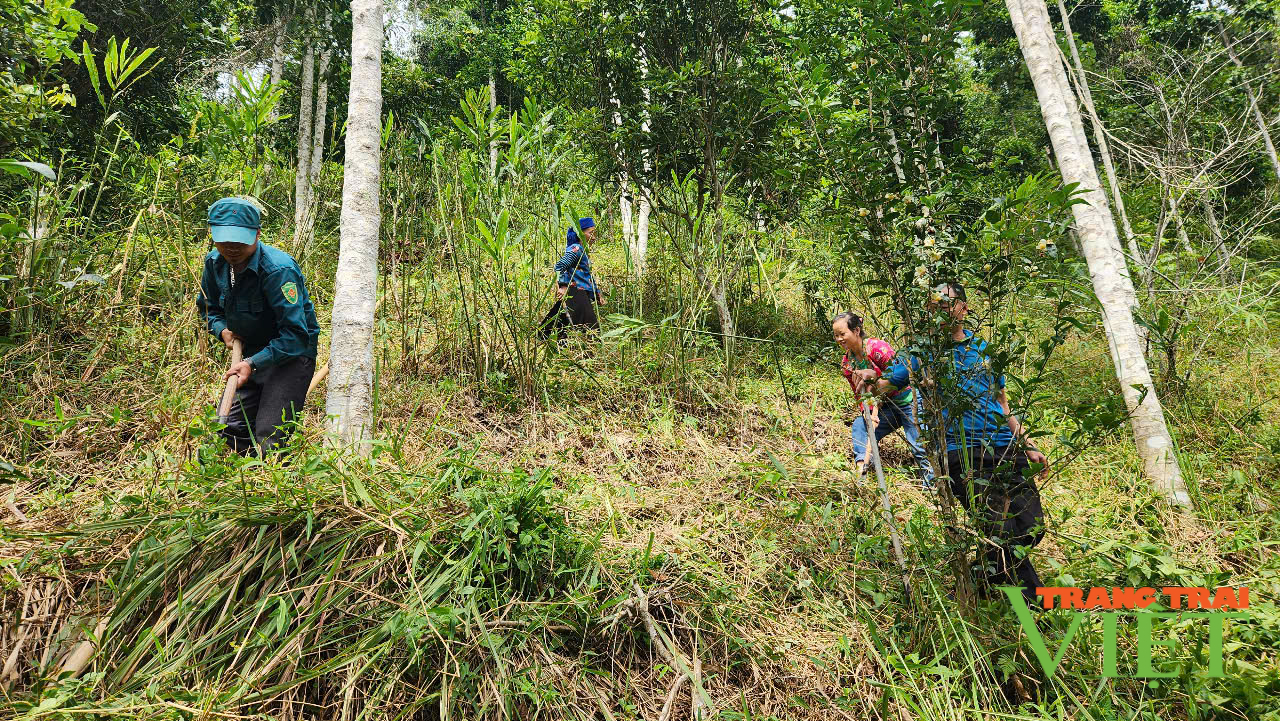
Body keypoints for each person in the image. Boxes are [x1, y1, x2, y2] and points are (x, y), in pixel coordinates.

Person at [877, 283, 1049, 602]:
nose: (941, 308)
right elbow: (887, 384)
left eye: (948, 302)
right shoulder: (923, 353)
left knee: (1032, 527)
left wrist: (1028, 444)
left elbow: (1002, 403)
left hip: (1005, 447)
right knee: (1001, 532)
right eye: (934, 304)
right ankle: (1036, 608)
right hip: (963, 454)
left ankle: (978, 580)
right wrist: (868, 379)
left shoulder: (983, 349)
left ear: (964, 308)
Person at [196, 197, 321, 454]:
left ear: (257, 235)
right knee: (227, 428)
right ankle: (243, 482)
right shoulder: (214, 263)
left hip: (291, 355)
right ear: (212, 234)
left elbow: (296, 335)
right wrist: (222, 330)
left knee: (270, 437)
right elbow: (208, 308)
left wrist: (252, 364)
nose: (231, 247)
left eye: (239, 239)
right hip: (249, 352)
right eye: (224, 239)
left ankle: (272, 482)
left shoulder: (278, 270)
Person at [832, 312, 935, 487]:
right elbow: (859, 395)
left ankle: (931, 484)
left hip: (908, 400)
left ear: (856, 330)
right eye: (836, 336)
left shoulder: (876, 348)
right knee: (860, 426)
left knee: (919, 445)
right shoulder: (847, 364)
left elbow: (899, 373)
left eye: (843, 334)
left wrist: (879, 386)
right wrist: (868, 413)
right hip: (886, 409)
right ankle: (861, 469)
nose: (839, 339)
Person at [540, 217, 605, 340]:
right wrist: (563, 286)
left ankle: (543, 336)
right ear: (580, 233)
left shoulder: (583, 251)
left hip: (580, 292)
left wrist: (597, 294)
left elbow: (587, 276)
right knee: (590, 326)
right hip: (575, 291)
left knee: (561, 319)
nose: (594, 237)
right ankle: (590, 351)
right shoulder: (576, 249)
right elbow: (559, 266)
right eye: (591, 233)